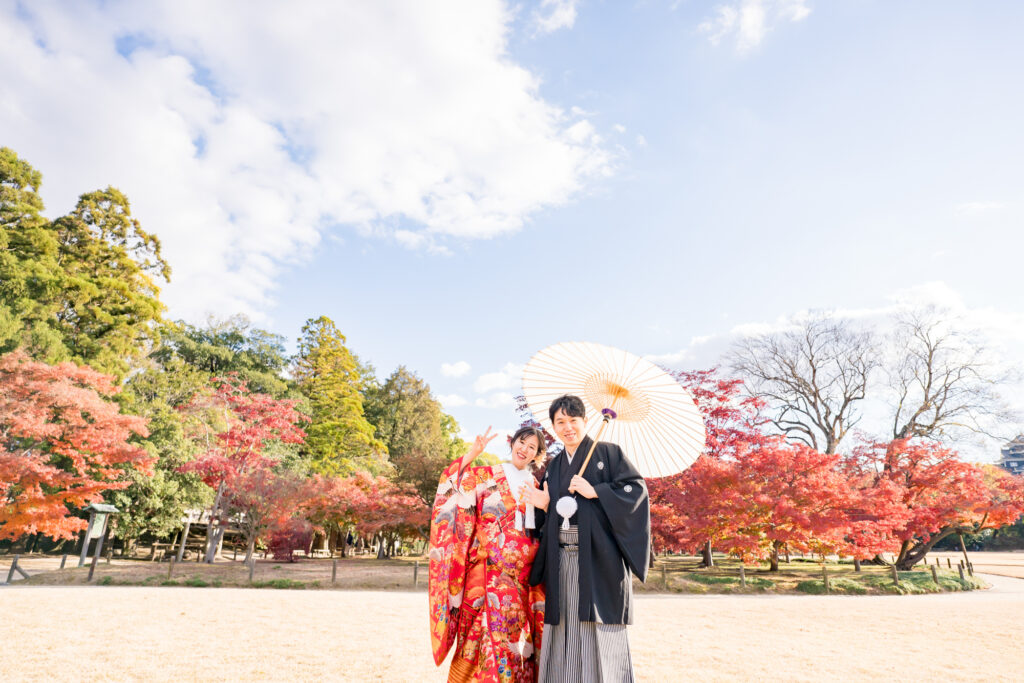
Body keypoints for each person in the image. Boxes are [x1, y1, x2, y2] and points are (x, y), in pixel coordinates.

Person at [528, 394, 650, 682]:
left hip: (597, 559)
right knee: (565, 626)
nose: (567, 427)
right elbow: (553, 517)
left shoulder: (609, 453)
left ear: (585, 421)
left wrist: (597, 491)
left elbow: (637, 491)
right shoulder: (555, 466)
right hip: (562, 560)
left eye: (573, 420)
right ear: (554, 427)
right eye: (560, 422)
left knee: (597, 627)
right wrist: (545, 505)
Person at [429, 425, 549, 682]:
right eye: (522, 442)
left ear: (537, 455)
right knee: (480, 637)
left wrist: (546, 504)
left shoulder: (538, 485)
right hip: (486, 574)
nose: (524, 449)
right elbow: (454, 488)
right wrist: (472, 454)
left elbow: (544, 529)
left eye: (532, 447)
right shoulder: (486, 475)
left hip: (522, 580)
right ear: (513, 442)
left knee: (515, 641)